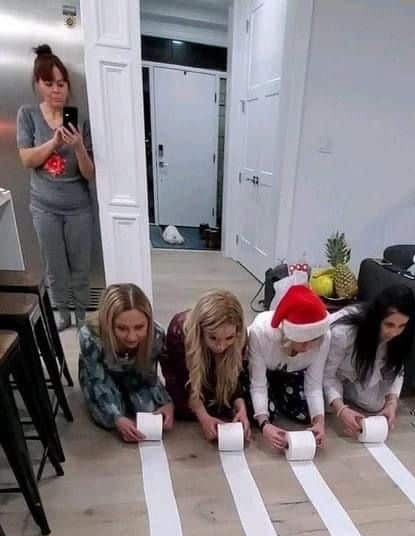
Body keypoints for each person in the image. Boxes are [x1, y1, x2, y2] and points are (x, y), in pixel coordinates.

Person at [16, 44, 94, 330]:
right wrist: (54, 143)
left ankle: (83, 315)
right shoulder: (28, 115)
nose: (56, 90)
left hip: (78, 207)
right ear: (38, 84)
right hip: (44, 206)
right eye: (49, 83)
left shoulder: (79, 119)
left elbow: (89, 174)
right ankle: (62, 313)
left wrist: (78, 149)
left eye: (61, 84)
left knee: (81, 265)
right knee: (54, 265)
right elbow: (26, 159)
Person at [79, 283, 174, 442]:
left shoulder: (156, 335)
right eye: (122, 328)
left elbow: (149, 375)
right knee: (108, 418)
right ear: (108, 324)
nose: (132, 337)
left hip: (135, 373)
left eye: (139, 327)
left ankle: (126, 396)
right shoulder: (90, 337)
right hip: (101, 375)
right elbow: (97, 381)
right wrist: (116, 418)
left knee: (150, 412)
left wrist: (166, 402)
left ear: (148, 323)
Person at [324, 285, 415, 436]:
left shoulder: (400, 336)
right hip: (330, 370)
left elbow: (397, 367)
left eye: (402, 326)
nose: (394, 333)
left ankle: (345, 393)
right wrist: (341, 409)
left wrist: (392, 403)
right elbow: (327, 375)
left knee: (375, 405)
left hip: (358, 372)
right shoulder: (343, 332)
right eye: (389, 324)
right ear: (377, 318)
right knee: (318, 406)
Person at [160, 290, 251, 442]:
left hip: (215, 383)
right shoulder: (179, 330)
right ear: (200, 329)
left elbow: (236, 377)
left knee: (235, 407)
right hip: (186, 382)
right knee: (184, 411)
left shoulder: (240, 338)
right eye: (213, 337)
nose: (221, 346)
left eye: (229, 338)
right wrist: (203, 417)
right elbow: (181, 380)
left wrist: (241, 408)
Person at [249, 285, 330, 452]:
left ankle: (278, 396)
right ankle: (273, 401)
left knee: (306, 412)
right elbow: (257, 384)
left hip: (292, 373)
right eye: (303, 341)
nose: (308, 348)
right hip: (264, 371)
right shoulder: (260, 334)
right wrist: (264, 424)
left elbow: (314, 384)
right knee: (261, 414)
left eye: (313, 340)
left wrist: (319, 421)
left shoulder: (323, 339)